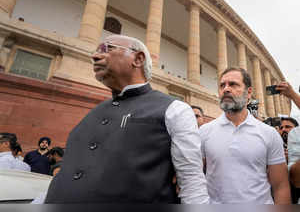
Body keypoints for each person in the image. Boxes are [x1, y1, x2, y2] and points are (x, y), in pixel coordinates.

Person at [44, 35, 209, 204]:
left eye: (107, 49)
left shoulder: (174, 109)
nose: (94, 56)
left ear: (138, 59)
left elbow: (191, 181)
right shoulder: (95, 112)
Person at [199, 67, 291, 204]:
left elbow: (281, 187)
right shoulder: (204, 132)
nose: (226, 89)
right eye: (222, 85)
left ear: (249, 93)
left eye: (233, 84)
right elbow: (194, 178)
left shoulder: (269, 134)